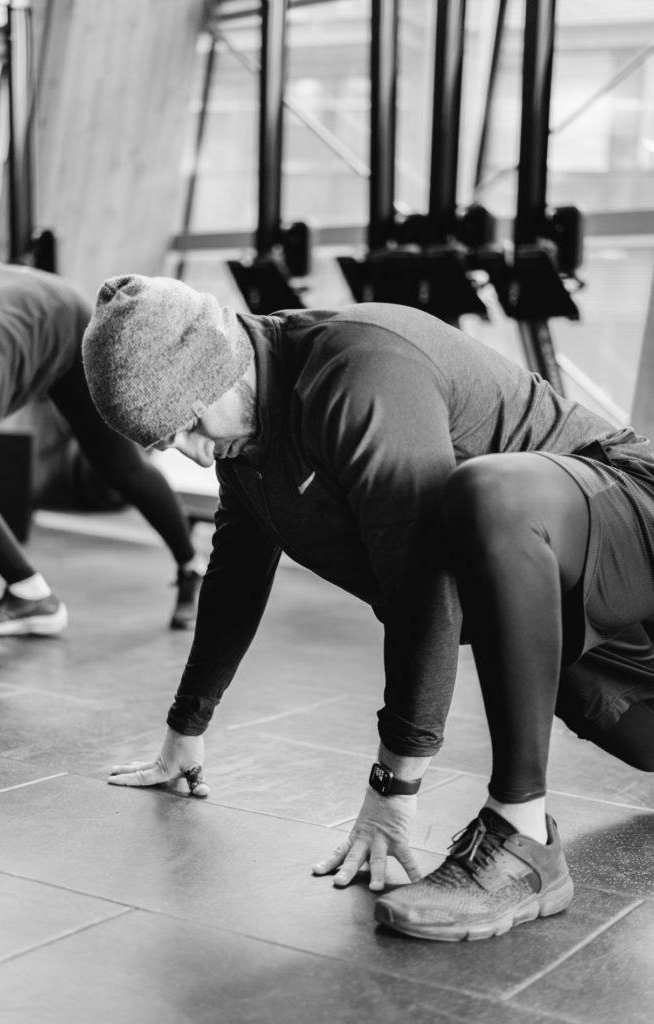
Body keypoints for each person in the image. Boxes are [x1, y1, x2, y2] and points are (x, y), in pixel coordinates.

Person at [82, 272, 654, 942]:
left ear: (222, 366)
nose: (189, 450)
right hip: (561, 597)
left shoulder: (358, 370)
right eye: (163, 442)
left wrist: (392, 789)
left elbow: (422, 589)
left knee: (489, 493)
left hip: (627, 512)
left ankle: (520, 835)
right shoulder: (246, 442)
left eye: (188, 424)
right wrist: (185, 728)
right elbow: (235, 573)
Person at [0, 263, 204, 637]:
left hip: (66, 321)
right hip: (13, 304)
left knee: (118, 465)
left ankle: (191, 564)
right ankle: (31, 596)